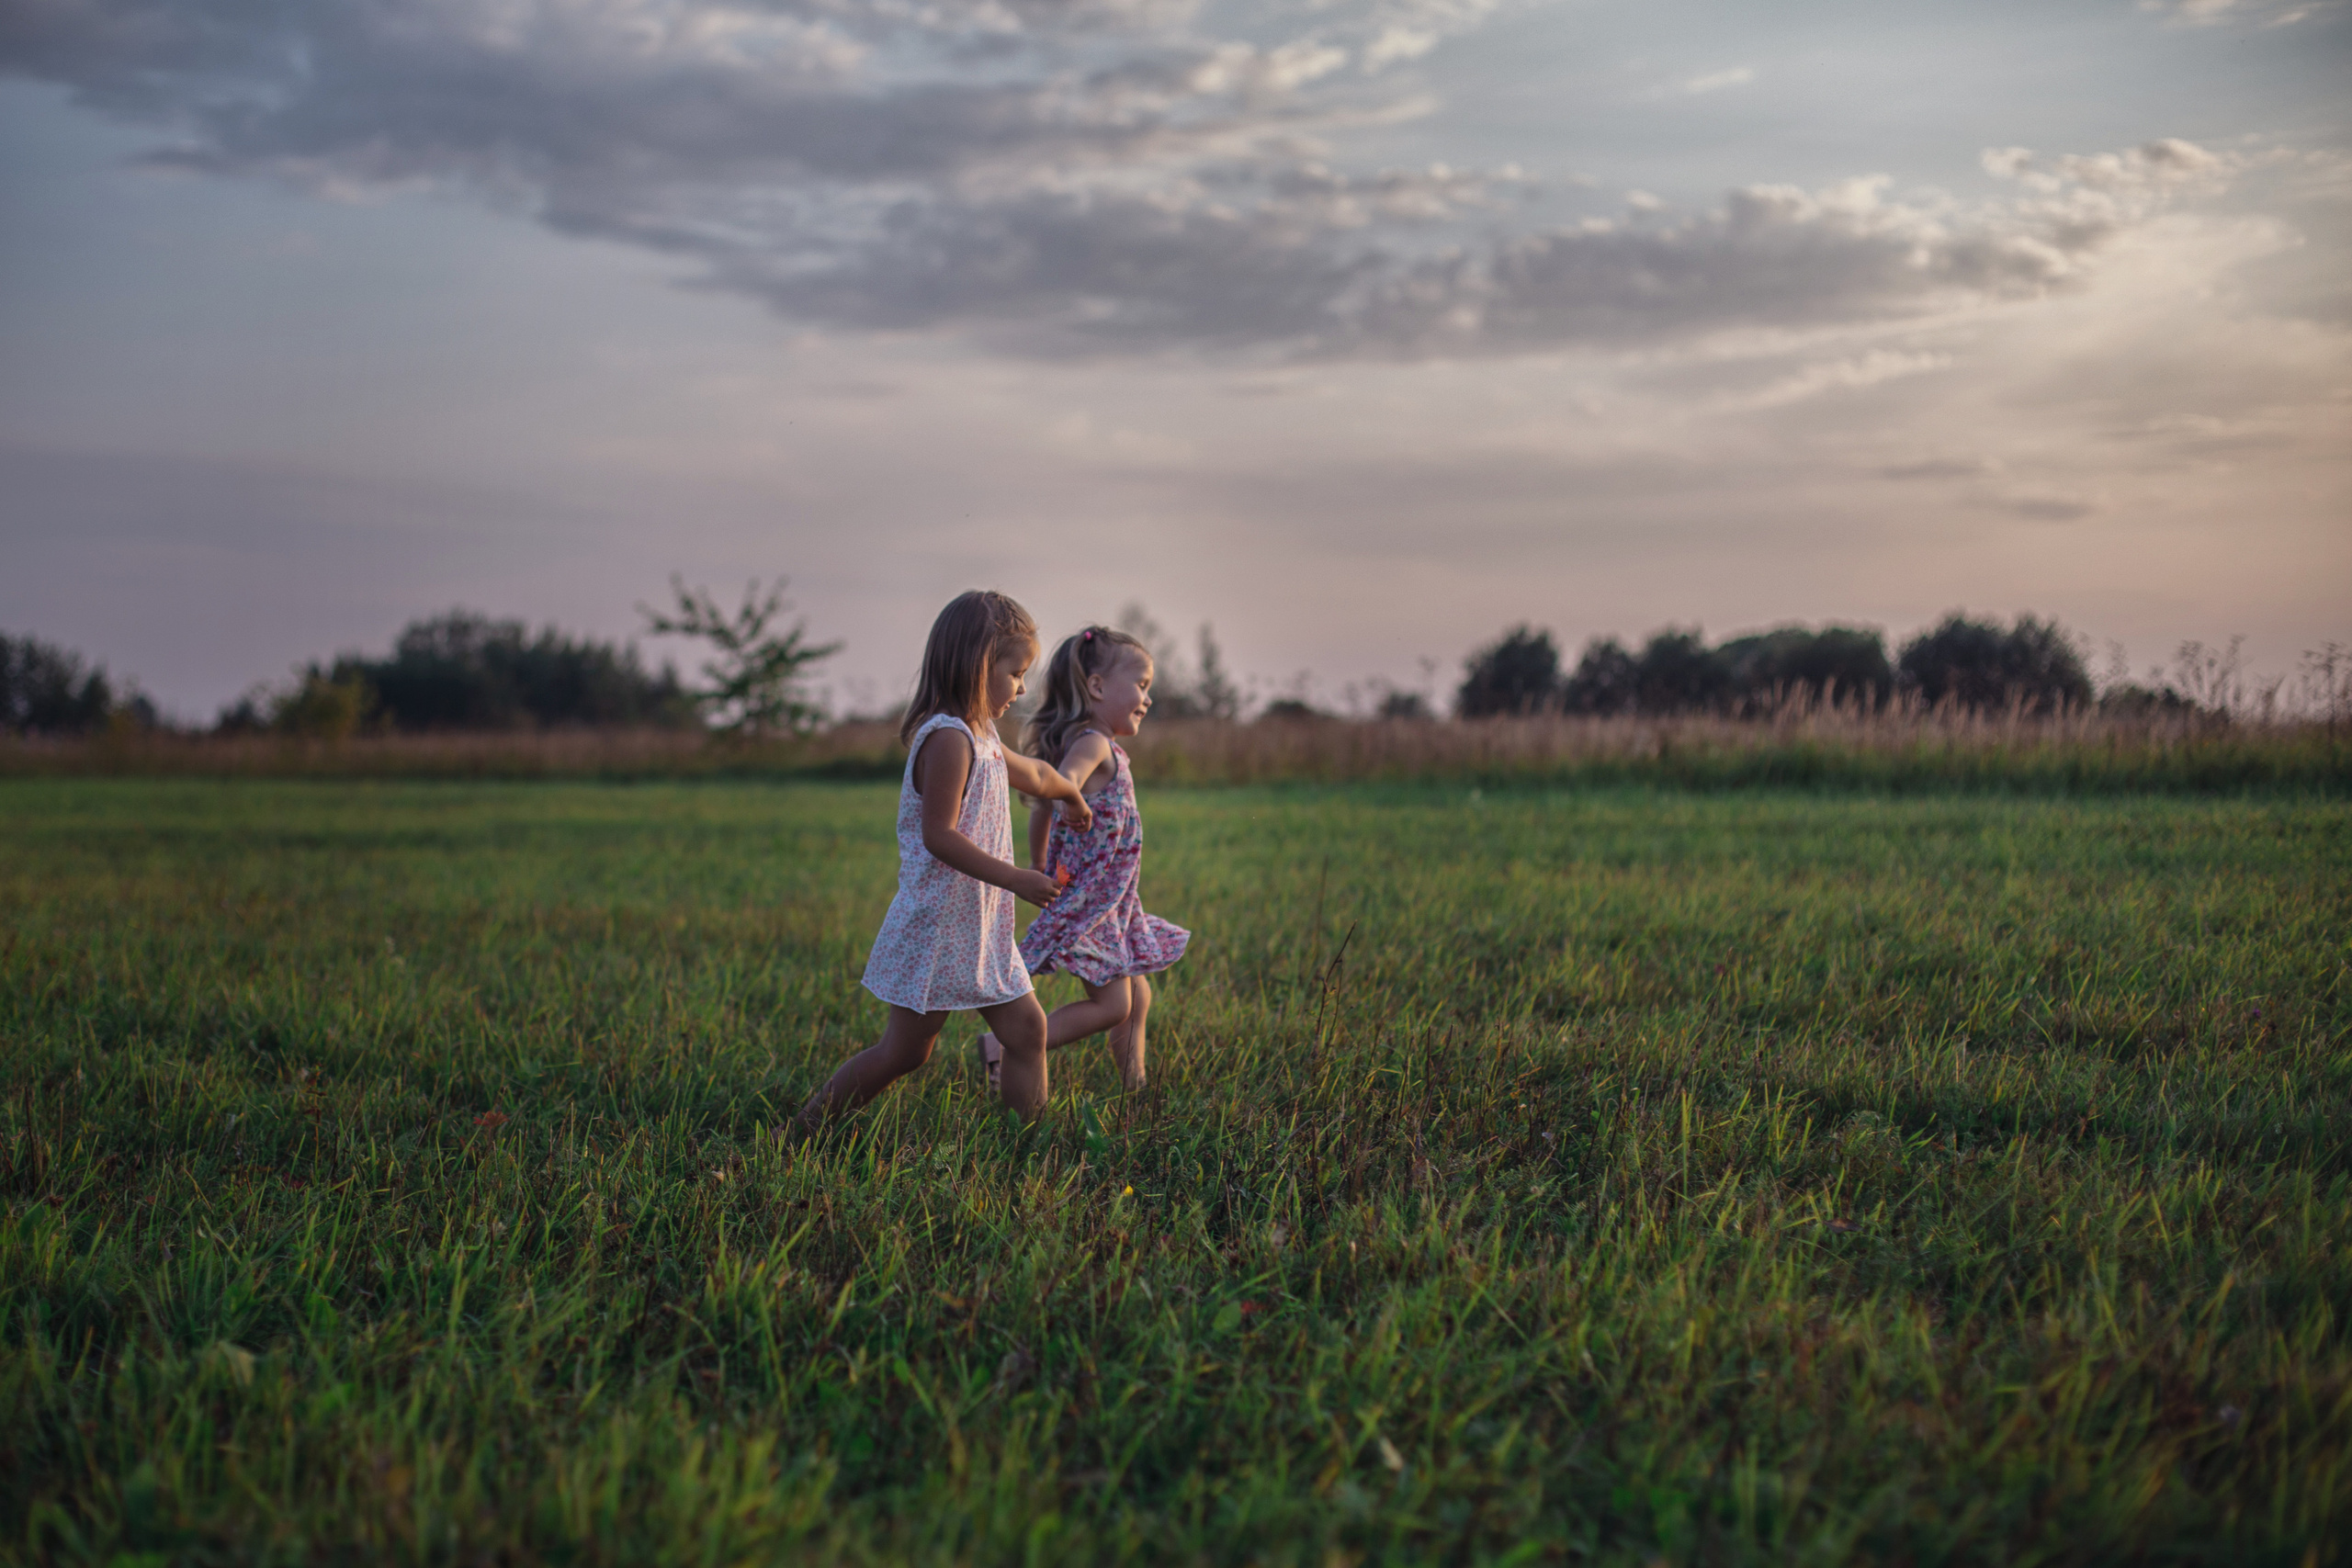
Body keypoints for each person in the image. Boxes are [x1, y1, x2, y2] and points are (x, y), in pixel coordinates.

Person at [796, 591, 1092, 1129]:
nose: (1022, 688)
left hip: (979, 928)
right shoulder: (949, 740)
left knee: (1028, 1031)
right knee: (905, 1053)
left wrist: (1070, 795)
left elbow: (1036, 775)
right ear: (978, 664)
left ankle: (1027, 1145)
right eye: (1015, 672)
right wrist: (1016, 878)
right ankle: (805, 1127)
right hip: (937, 928)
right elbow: (940, 836)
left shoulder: (983, 736)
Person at [977, 624, 1190, 1094]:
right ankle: (1001, 1044)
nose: (1147, 698)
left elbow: (1045, 798)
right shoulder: (1093, 744)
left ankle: (1134, 1085)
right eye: (1141, 685)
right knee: (1115, 1004)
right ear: (1096, 687)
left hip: (1112, 901)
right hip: (1092, 902)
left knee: (1138, 992)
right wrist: (1070, 799)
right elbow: (1057, 784)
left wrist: (1038, 859)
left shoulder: (1096, 742)